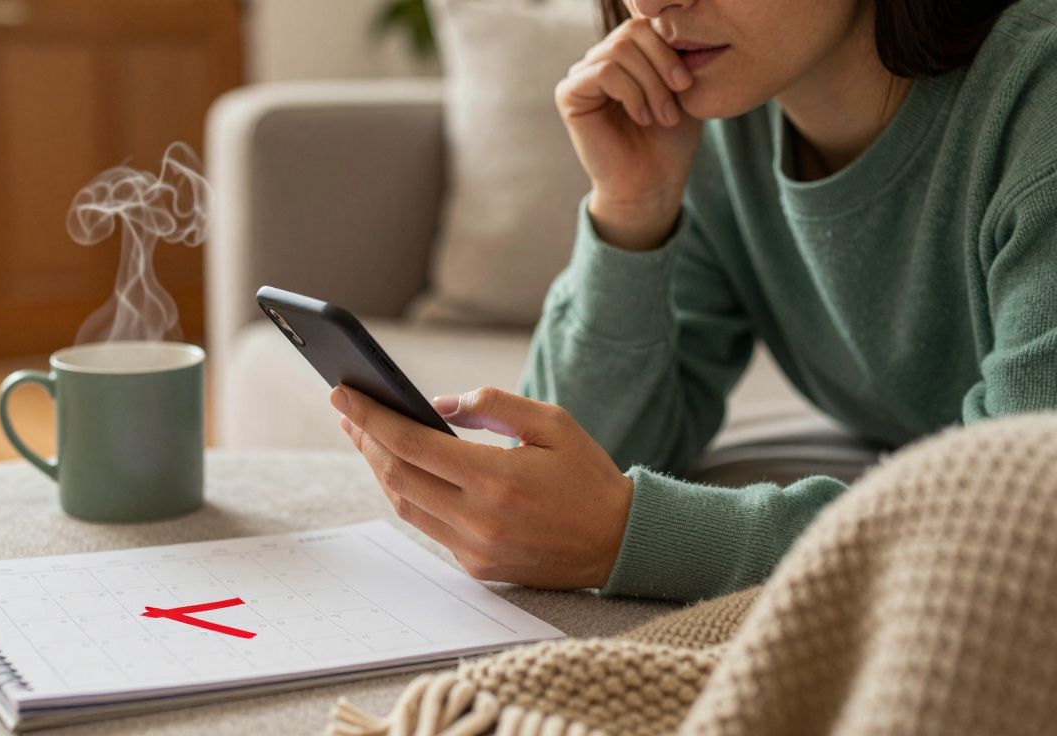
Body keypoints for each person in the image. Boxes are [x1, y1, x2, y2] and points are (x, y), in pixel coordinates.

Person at [329, 0, 1057, 603]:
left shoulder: (1037, 109)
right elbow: (587, 453)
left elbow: (1024, 527)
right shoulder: (731, 113)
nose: (653, 5)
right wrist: (632, 209)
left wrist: (629, 539)